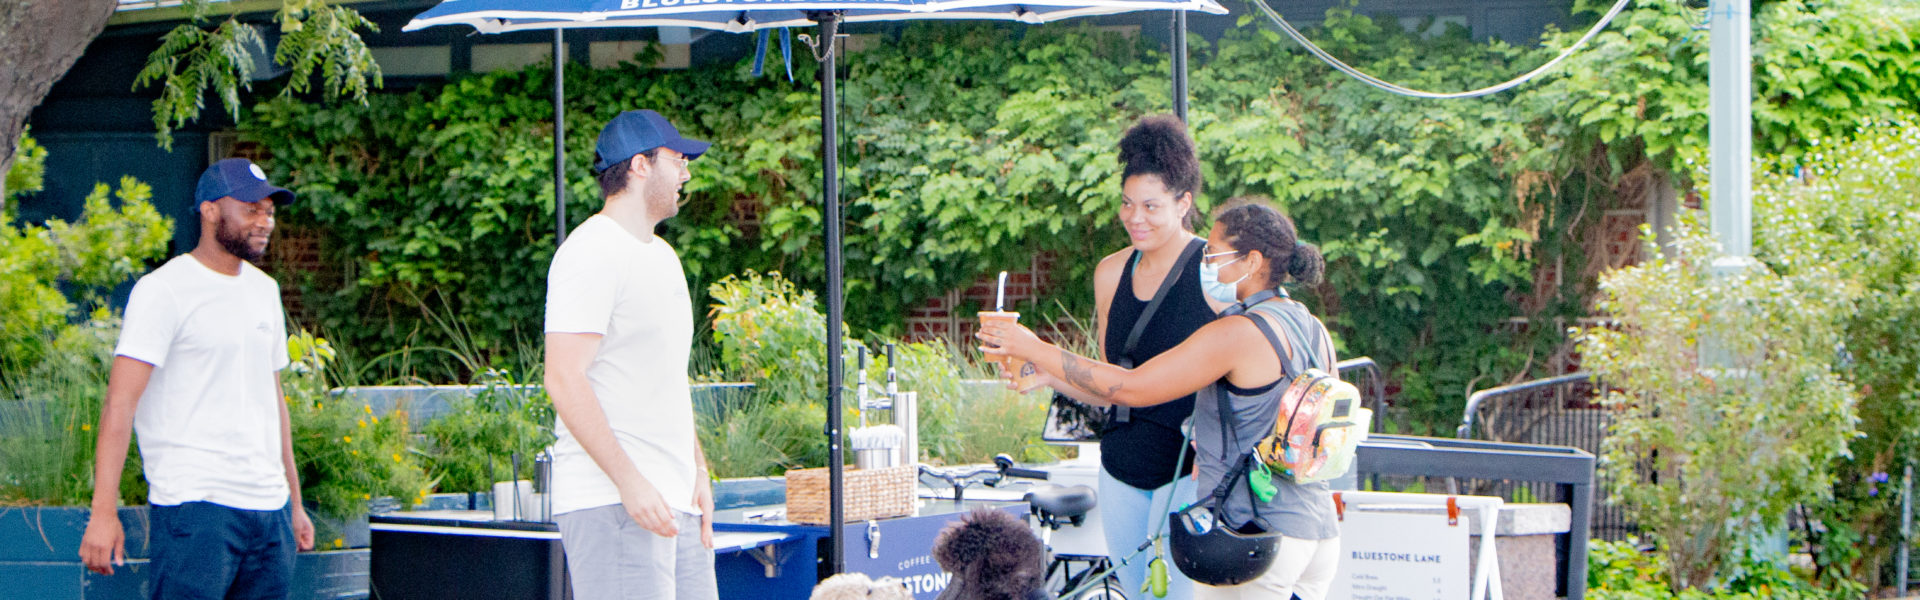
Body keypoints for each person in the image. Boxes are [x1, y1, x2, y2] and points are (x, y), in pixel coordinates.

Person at [982, 198, 1341, 600]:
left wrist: (1033, 347)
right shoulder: (1312, 328)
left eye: (1213, 253)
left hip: (1256, 542)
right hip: (1316, 535)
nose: (1204, 262)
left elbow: (1132, 387)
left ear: (1252, 261)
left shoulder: (1238, 332)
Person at [79, 157, 315, 598]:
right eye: (250, 209)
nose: (264, 221)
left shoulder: (265, 291)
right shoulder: (163, 290)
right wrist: (103, 512)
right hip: (196, 506)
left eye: (270, 211)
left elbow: (273, 400)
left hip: (269, 511)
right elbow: (120, 403)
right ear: (209, 210)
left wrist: (294, 504)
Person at [1030, 115, 1221, 599]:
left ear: (1184, 204)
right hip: (1119, 471)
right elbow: (1108, 383)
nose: (1136, 217)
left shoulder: (1216, 274)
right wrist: (1046, 375)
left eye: (1152, 206)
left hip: (1188, 476)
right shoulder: (1110, 272)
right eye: (1127, 204)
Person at [543, 109, 717, 600]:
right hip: (615, 502)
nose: (686, 172)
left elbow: (668, 381)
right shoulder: (591, 251)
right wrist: (630, 483)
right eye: (678, 159)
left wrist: (697, 471)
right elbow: (563, 377)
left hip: (674, 501)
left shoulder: (662, 256)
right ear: (641, 165)